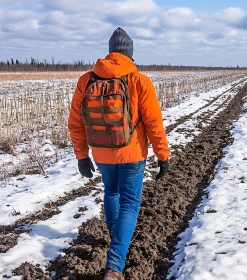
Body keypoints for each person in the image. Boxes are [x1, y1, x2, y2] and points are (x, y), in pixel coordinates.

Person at [68, 27, 170, 280]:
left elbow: (75, 122)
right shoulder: (139, 81)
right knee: (130, 204)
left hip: (101, 154)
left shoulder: (87, 80)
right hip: (132, 153)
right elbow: (154, 123)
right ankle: (114, 268)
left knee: (111, 193)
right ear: (130, 54)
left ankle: (119, 243)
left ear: (110, 50)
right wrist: (162, 155)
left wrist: (82, 155)